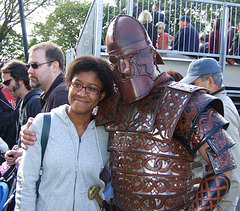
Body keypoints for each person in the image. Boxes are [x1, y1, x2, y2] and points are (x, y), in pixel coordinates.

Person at [21, 15, 236, 210]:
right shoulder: (112, 103)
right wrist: (36, 127)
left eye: (131, 56)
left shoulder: (188, 102)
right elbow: (78, 121)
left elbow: (222, 167)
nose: (123, 68)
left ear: (151, 55)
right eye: (115, 61)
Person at [15, 55, 114, 210]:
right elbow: (26, 182)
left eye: (92, 88)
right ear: (68, 85)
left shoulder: (106, 134)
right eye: (77, 84)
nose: (82, 93)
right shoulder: (43, 124)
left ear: (101, 95)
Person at [180, 58, 240, 211]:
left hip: (220, 203)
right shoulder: (221, 102)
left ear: (210, 81)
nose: (190, 88)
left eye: (194, 83)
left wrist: (220, 206)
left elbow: (232, 162)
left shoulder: (220, 110)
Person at [1, 60, 42, 133]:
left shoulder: (35, 102)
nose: (4, 87)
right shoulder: (26, 102)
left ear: (20, 80)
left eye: (7, 83)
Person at [27, 41, 69, 112]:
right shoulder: (54, 93)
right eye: (28, 66)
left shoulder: (61, 94)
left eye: (35, 65)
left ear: (54, 66)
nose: (29, 71)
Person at [0, 62, 21, 150]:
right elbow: (1, 119)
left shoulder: (22, 93)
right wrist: (17, 113)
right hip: (5, 142)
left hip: (22, 143)